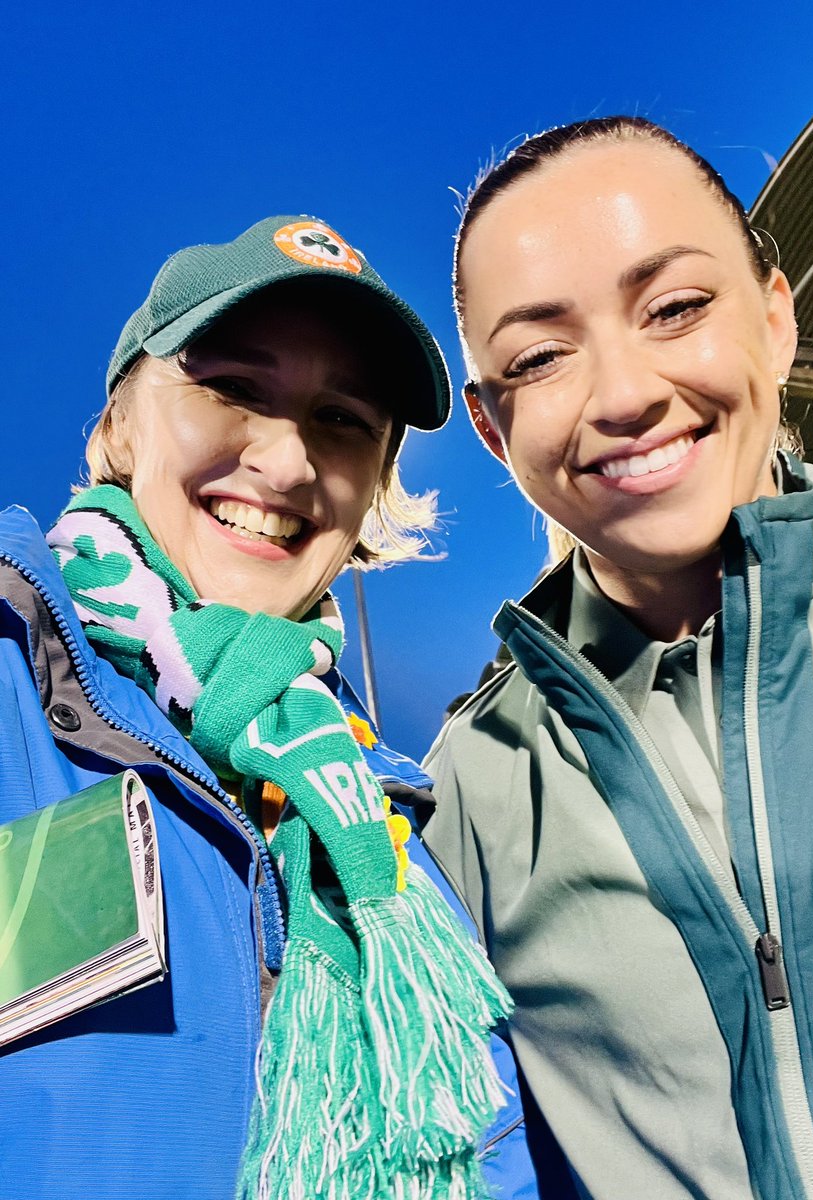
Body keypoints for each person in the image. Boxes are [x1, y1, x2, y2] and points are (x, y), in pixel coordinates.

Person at [0, 214, 536, 1200]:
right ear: (120, 420)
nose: (288, 464)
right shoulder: (12, 680)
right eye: (234, 389)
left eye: (343, 421)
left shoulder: (390, 821)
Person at [422, 116, 813, 1200]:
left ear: (777, 320)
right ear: (494, 432)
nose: (624, 394)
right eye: (540, 357)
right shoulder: (465, 795)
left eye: (676, 307)